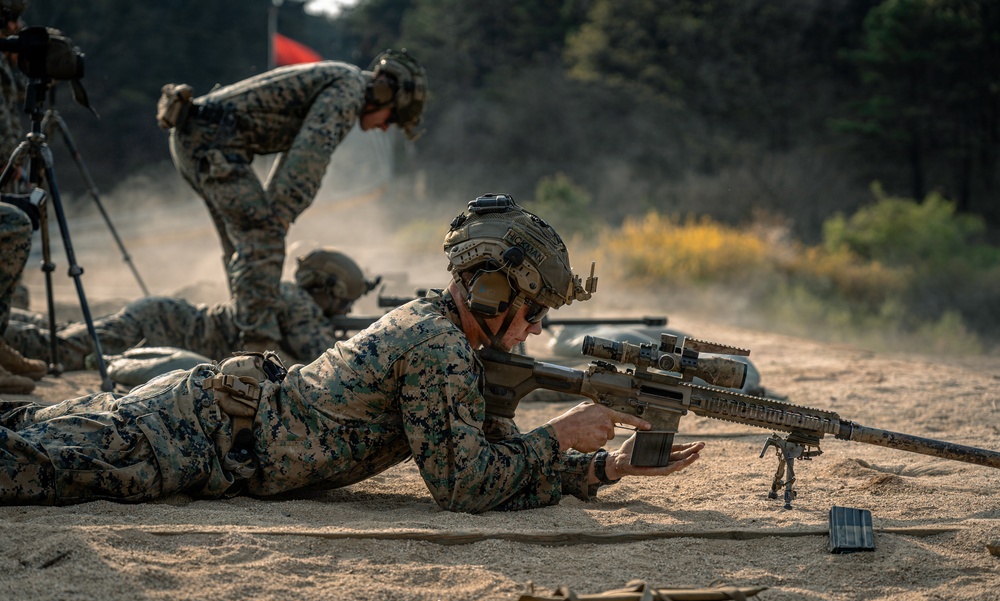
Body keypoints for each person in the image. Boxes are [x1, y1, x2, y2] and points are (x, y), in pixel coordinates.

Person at [0, 193, 704, 510]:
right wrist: (560, 435)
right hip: (191, 437)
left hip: (213, 430)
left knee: (27, 437)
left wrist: (601, 466)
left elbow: (492, 463)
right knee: (22, 466)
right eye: (534, 311)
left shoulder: (449, 338)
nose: (537, 329)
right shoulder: (436, 344)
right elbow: (465, 487)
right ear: (492, 293)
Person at [162, 48, 427, 355]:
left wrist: (276, 208)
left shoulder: (342, 81)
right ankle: (257, 352)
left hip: (198, 138)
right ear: (384, 94)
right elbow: (311, 151)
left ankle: (238, 337)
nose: (384, 126)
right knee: (263, 240)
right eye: (392, 118)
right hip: (211, 143)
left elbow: (297, 151)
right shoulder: (349, 90)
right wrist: (282, 212)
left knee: (246, 249)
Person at [3, 247, 380, 370]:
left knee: (61, 334)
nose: (344, 307)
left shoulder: (284, 294)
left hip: (163, 319)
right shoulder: (296, 301)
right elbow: (328, 359)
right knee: (59, 350)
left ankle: (10, 319)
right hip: (160, 325)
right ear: (326, 288)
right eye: (344, 300)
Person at [0, 0, 46, 394]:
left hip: (5, 165)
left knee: (16, 225)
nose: (15, 25)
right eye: (10, 18)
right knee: (14, 226)